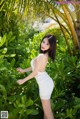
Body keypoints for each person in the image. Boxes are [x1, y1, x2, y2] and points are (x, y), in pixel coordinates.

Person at [16, 34, 56, 119]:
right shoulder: (43, 54)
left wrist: (23, 80)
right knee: (46, 112)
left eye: (47, 44)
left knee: (47, 112)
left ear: (51, 46)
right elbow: (33, 67)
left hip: (45, 85)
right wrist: (23, 70)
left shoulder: (42, 56)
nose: (43, 45)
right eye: (43, 42)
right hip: (46, 83)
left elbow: (35, 73)